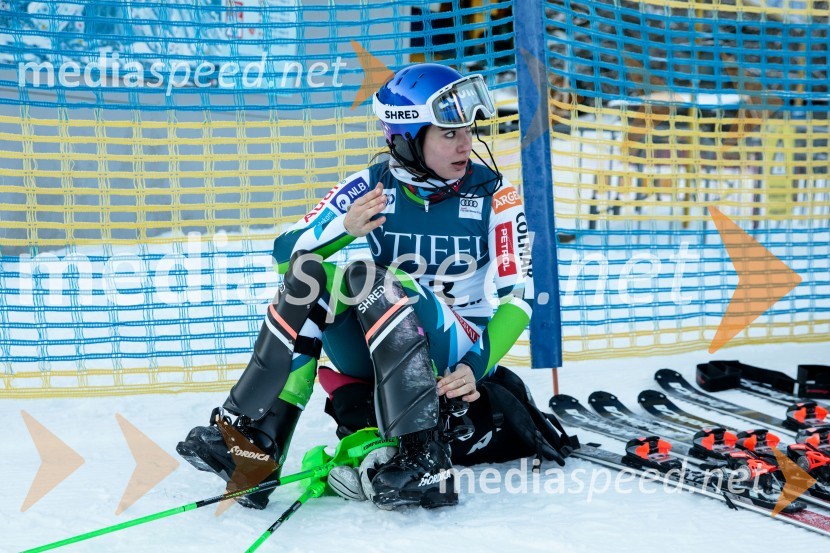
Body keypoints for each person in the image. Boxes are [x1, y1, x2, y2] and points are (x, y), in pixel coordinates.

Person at [177, 63, 574, 511]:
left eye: (467, 130)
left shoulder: (495, 194)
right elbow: (284, 253)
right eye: (449, 133)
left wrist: (476, 365)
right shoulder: (372, 184)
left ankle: (423, 456)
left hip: (453, 346)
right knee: (309, 274)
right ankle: (256, 444)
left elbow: (519, 297)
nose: (465, 143)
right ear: (407, 138)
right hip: (379, 339)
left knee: (368, 275)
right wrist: (343, 228)